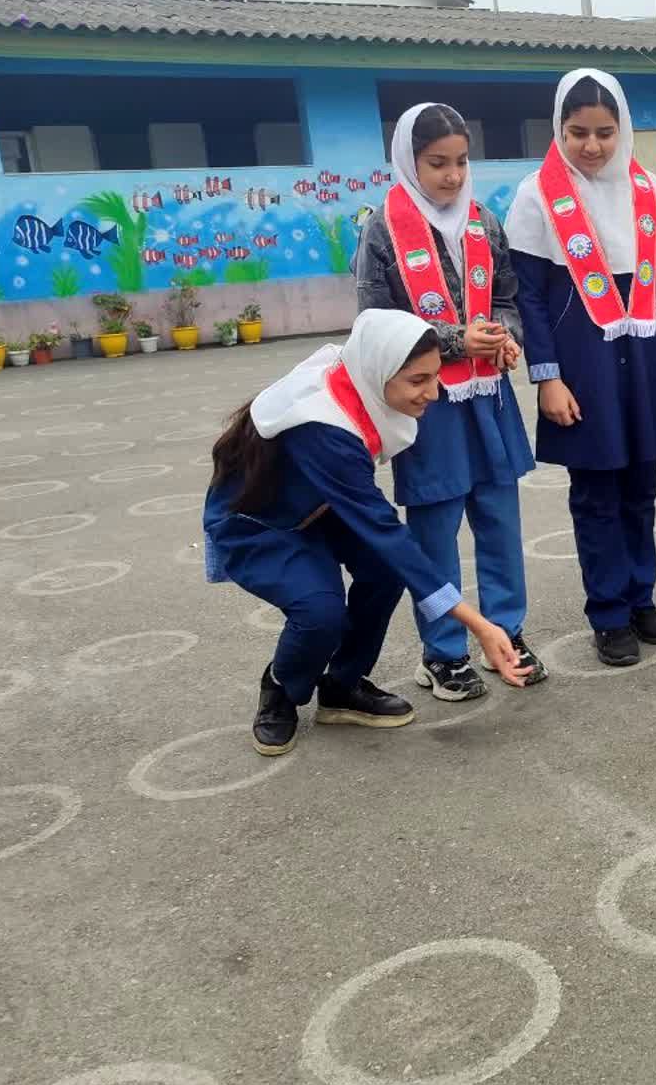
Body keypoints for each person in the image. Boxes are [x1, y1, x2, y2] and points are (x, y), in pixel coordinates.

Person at [203, 309, 527, 756]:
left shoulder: (358, 370)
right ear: (382, 371)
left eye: (435, 376)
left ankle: (341, 685)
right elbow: (384, 530)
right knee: (320, 611)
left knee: (384, 571)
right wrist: (478, 625)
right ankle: (280, 687)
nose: (433, 393)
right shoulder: (324, 427)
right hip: (260, 523)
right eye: (418, 381)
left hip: (322, 504)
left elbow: (383, 540)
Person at [508, 69, 656, 666]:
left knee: (642, 488)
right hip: (582, 365)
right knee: (596, 491)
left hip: (644, 360)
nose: (592, 145)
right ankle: (607, 613)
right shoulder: (536, 195)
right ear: (558, 129)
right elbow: (533, 297)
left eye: (603, 131)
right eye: (577, 133)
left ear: (621, 129)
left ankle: (640, 597)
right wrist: (547, 376)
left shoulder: (646, 190)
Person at [354, 103, 544, 700]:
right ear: (409, 162)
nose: (453, 176)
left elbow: (510, 299)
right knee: (435, 530)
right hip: (428, 404)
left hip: (488, 396)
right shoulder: (382, 229)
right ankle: (442, 652)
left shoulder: (484, 223)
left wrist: (507, 337)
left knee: (499, 520)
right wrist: (458, 340)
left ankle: (506, 632)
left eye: (462, 162)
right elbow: (372, 325)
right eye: (438, 163)